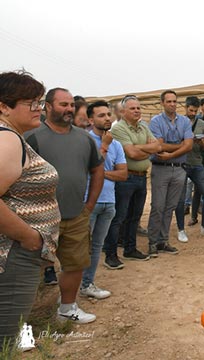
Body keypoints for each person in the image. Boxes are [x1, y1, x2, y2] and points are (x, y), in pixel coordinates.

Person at [26, 87, 104, 324]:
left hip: (75, 215)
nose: (69, 109)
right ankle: (21, 322)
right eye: (63, 105)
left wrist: (89, 205)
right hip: (39, 221)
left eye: (71, 104)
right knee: (32, 270)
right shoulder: (32, 136)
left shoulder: (84, 138)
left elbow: (97, 169)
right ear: (47, 107)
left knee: (75, 264)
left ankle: (67, 309)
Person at [0, 71, 60, 348]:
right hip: (13, 253)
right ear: (4, 106)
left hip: (15, 252)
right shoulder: (7, 140)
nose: (39, 109)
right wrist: (29, 237)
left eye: (40, 102)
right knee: (6, 340)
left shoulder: (12, 137)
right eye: (31, 103)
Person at [103, 95, 159, 269]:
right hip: (126, 178)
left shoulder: (143, 126)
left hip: (142, 176)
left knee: (135, 216)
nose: (137, 111)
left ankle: (130, 249)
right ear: (123, 111)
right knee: (119, 217)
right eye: (132, 108)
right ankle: (111, 254)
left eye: (138, 108)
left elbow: (157, 146)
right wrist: (145, 150)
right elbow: (131, 154)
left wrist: (138, 148)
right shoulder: (118, 129)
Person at [80, 100, 127, 299]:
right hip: (88, 202)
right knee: (81, 247)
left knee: (98, 246)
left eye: (108, 114)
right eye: (101, 115)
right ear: (90, 120)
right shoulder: (84, 141)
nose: (107, 118)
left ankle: (87, 284)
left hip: (109, 201)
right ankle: (72, 290)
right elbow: (86, 170)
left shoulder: (116, 144)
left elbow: (123, 174)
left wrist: (100, 173)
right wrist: (105, 148)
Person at [147, 90, 193, 256]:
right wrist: (179, 146)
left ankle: (163, 240)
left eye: (175, 101)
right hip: (160, 169)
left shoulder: (185, 121)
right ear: (162, 103)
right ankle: (152, 241)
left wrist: (172, 153)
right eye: (169, 101)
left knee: (170, 207)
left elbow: (189, 145)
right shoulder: (155, 122)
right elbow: (159, 146)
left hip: (179, 169)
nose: (172, 104)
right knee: (158, 206)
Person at [174, 97, 204, 241]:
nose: (192, 113)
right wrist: (186, 140)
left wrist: (203, 142)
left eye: (195, 110)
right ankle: (181, 229)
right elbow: (173, 142)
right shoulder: (178, 121)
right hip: (182, 163)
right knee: (180, 200)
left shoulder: (201, 124)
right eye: (190, 110)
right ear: (185, 108)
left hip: (197, 163)